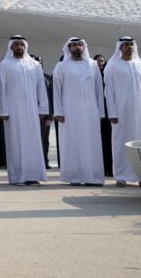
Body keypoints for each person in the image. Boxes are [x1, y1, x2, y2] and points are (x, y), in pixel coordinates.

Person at [52, 38, 105, 186]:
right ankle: (74, 176)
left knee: (91, 143)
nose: (78, 47)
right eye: (74, 45)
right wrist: (58, 111)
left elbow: (99, 90)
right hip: (70, 112)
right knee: (73, 143)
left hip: (91, 111)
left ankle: (93, 177)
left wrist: (101, 112)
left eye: (80, 45)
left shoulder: (93, 65)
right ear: (69, 48)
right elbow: (56, 90)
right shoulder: (61, 66)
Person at [0, 36, 47, 186]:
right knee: (16, 144)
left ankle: (33, 175)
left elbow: (41, 88)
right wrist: (3, 110)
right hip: (13, 112)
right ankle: (17, 177)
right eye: (16, 44)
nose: (19, 47)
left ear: (25, 46)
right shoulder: (5, 65)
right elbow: (1, 89)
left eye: (21, 44)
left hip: (32, 111)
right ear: (11, 47)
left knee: (33, 143)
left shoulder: (35, 65)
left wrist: (43, 107)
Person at [104, 37, 141, 187]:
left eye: (131, 44)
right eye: (126, 45)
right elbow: (109, 92)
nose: (129, 47)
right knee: (120, 144)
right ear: (120, 47)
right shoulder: (112, 65)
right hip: (121, 113)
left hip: (139, 112)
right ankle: (121, 176)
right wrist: (112, 113)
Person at [33, 54, 55, 168]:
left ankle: (44, 161)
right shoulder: (29, 77)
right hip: (32, 113)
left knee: (45, 139)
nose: (39, 64)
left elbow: (51, 97)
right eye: (36, 62)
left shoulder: (47, 77)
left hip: (44, 115)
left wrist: (50, 116)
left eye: (40, 62)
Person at [93, 54, 114, 177]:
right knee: (101, 143)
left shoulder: (108, 75)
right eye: (98, 61)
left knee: (110, 142)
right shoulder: (94, 76)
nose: (100, 63)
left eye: (102, 61)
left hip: (110, 115)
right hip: (98, 115)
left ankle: (110, 168)